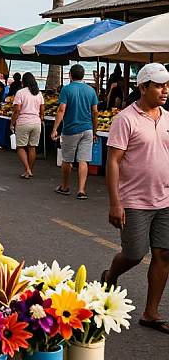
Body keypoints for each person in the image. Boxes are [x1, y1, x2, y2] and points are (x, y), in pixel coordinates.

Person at [102, 63, 169, 335]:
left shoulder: (167, 117)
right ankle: (111, 276)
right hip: (134, 200)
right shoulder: (125, 119)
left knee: (164, 254)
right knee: (134, 254)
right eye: (159, 85)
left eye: (167, 85)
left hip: (165, 198)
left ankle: (150, 313)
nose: (165, 90)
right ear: (143, 87)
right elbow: (113, 162)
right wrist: (115, 203)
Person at [51, 64, 98, 200]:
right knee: (84, 160)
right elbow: (95, 112)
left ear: (70, 75)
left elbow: (61, 109)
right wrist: (94, 131)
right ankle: (82, 190)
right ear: (83, 75)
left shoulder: (66, 89)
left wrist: (55, 128)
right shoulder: (91, 90)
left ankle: (65, 187)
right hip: (87, 129)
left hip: (70, 129)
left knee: (67, 159)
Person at [10, 72, 44, 179]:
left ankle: (27, 169)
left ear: (23, 81)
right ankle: (29, 170)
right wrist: (40, 118)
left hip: (23, 122)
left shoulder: (20, 93)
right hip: (36, 122)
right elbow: (42, 109)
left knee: (20, 147)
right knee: (32, 147)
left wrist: (12, 123)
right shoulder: (38, 93)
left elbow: (17, 111)